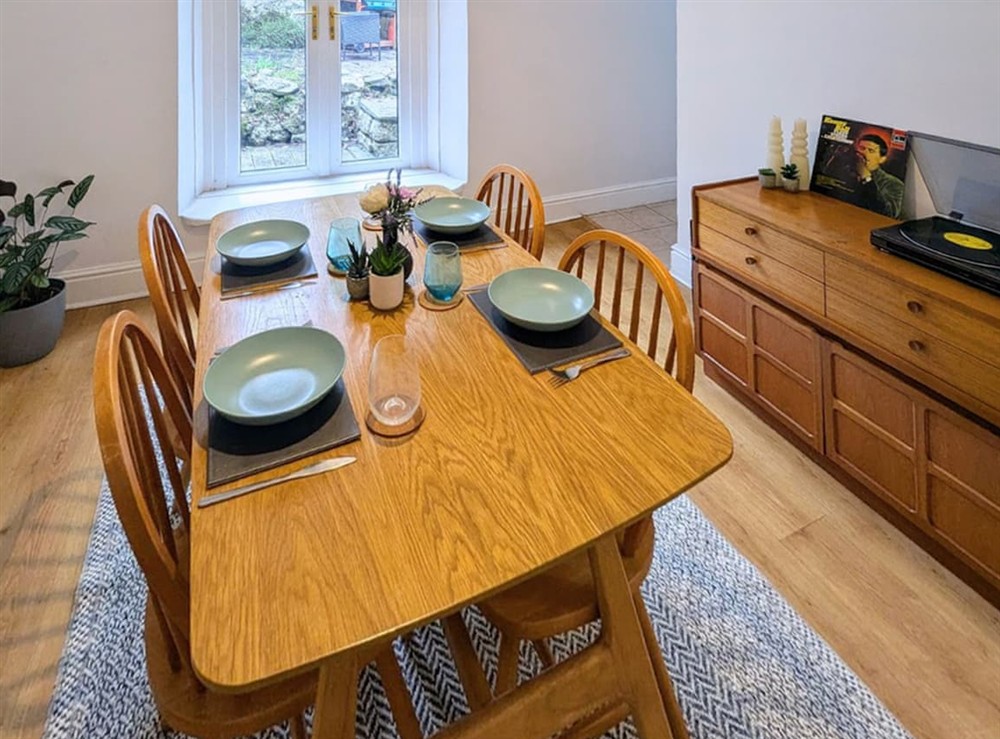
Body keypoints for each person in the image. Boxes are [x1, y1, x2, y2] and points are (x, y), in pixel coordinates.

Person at [853, 133, 904, 218]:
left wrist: (866, 177)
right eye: (862, 148)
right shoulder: (846, 170)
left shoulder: (893, 183)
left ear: (882, 159)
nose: (864, 153)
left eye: (871, 150)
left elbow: (890, 213)